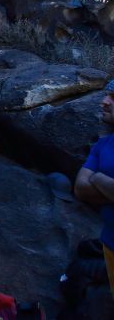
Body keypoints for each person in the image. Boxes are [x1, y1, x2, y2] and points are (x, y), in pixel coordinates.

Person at [74, 79, 114, 295]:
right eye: (107, 95)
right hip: (110, 244)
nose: (104, 102)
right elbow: (80, 188)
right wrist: (103, 180)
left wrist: (97, 179)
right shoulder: (104, 145)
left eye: (113, 98)